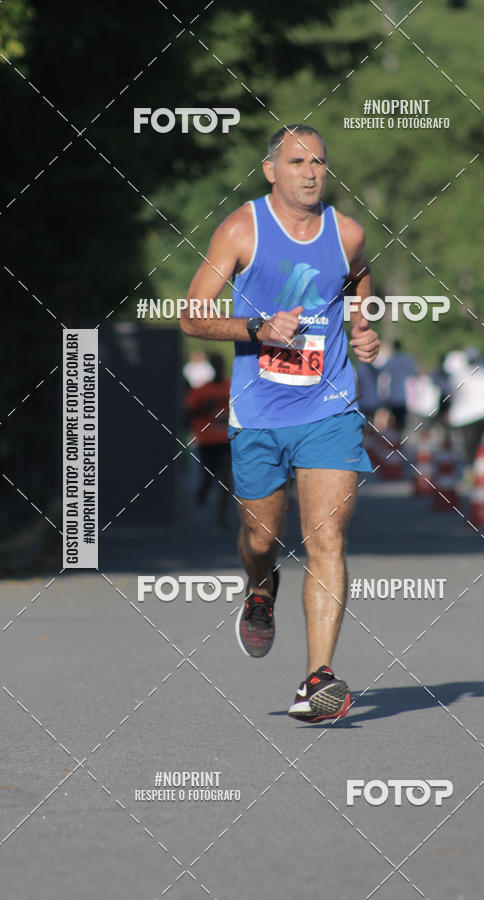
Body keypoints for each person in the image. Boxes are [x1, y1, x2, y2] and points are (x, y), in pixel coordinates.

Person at [180, 124, 379, 722]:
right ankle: (260, 586)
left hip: (329, 408)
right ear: (272, 171)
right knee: (262, 539)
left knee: (326, 541)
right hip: (260, 413)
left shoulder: (346, 232)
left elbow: (360, 279)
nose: (310, 172)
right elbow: (193, 315)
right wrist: (258, 329)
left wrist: (363, 326)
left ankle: (318, 678)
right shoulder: (243, 228)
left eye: (319, 161)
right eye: (296, 161)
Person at [185, 353, 231, 529]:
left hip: (226, 439)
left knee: (225, 476)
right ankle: (203, 492)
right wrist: (207, 406)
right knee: (210, 478)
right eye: (216, 364)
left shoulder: (232, 386)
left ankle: (222, 516)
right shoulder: (202, 390)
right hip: (207, 440)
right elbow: (189, 412)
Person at [378, 339, 416, 437]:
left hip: (393, 395)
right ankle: (399, 441)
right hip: (403, 396)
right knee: (400, 423)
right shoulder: (406, 360)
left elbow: (383, 374)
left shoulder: (391, 360)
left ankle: (395, 440)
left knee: (393, 422)